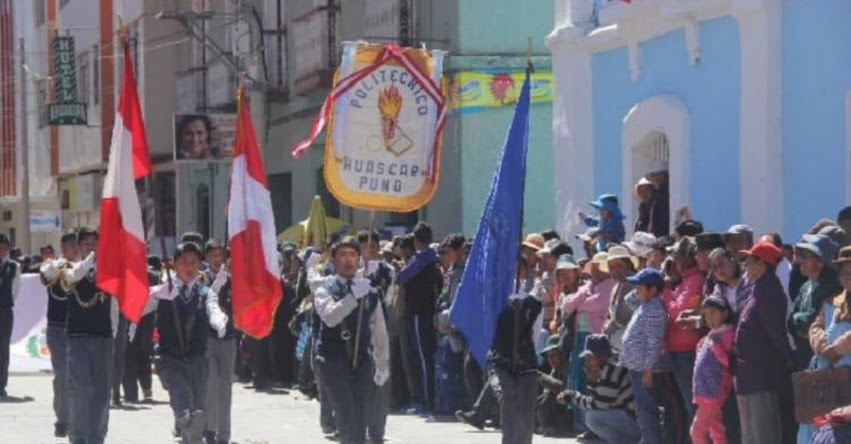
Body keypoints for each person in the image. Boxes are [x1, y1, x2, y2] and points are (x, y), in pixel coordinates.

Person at [143, 241, 229, 444]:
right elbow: (138, 308)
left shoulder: (205, 293)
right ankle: (184, 417)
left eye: (194, 262)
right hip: (169, 356)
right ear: (174, 264)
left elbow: (213, 307)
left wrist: (219, 320)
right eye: (184, 262)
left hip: (197, 358)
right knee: (180, 393)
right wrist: (156, 294)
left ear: (200, 265)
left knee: (197, 406)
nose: (189, 267)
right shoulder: (164, 290)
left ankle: (191, 433)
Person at [313, 236, 390, 444]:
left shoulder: (370, 292)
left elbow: (379, 331)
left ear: (359, 260)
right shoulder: (323, 289)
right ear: (333, 260)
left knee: (361, 414)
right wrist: (352, 297)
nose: (348, 260)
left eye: (353, 255)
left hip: (362, 360)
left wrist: (382, 365)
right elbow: (330, 317)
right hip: (333, 360)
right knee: (346, 412)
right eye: (343, 255)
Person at [60, 227, 115, 444]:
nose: (91, 247)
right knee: (80, 387)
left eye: (94, 243)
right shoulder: (70, 268)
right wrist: (87, 263)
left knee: (102, 391)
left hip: (103, 336)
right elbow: (66, 283)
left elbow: (116, 304)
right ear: (78, 247)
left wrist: (118, 329)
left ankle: (97, 435)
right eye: (86, 243)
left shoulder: (109, 272)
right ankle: (78, 434)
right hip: (78, 337)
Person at [735, 240, 792, 444]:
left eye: (749, 262)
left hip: (763, 376)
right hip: (749, 376)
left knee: (764, 435)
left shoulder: (769, 291)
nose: (745, 267)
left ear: (761, 265)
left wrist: (787, 361)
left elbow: (775, 333)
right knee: (751, 435)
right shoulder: (757, 289)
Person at [805, 245, 851, 443]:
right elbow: (815, 327)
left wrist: (839, 348)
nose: (848, 276)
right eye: (844, 272)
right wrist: (823, 347)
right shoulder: (831, 302)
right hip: (831, 382)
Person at [557, 334, 640, 444]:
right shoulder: (608, 366)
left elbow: (599, 404)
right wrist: (592, 381)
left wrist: (573, 396)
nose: (586, 362)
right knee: (590, 412)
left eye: (590, 357)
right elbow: (600, 400)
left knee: (592, 417)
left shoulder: (612, 370)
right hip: (630, 418)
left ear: (601, 356)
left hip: (636, 421)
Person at [397, 222, 442, 414]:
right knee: (424, 356)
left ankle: (426, 400)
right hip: (425, 311)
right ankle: (426, 398)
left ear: (416, 240)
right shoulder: (432, 258)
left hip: (420, 312)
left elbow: (402, 276)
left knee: (423, 357)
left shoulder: (423, 257)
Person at [621, 268, 669, 444]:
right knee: (643, 410)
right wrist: (640, 287)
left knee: (647, 411)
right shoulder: (645, 305)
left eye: (641, 287)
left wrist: (648, 370)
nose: (637, 290)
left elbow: (654, 342)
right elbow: (628, 300)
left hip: (644, 369)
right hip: (637, 367)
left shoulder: (654, 309)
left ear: (653, 290)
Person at [489, 288, 543, 444]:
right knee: (510, 407)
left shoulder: (533, 304)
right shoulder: (497, 298)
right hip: (502, 364)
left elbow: (535, 334)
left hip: (526, 364)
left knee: (525, 415)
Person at [37, 231, 77, 437]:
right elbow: (44, 277)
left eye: (76, 245)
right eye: (70, 245)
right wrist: (50, 266)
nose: (74, 249)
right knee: (63, 375)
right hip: (58, 329)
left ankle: (76, 417)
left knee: (78, 378)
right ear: (63, 247)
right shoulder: (55, 267)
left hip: (79, 331)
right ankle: (63, 419)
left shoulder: (85, 269)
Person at [666, 238, 705, 427]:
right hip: (678, 349)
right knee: (684, 404)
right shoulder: (686, 281)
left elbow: (677, 311)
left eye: (677, 257)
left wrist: (665, 292)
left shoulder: (695, 281)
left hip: (686, 350)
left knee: (693, 403)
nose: (674, 262)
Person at [202, 240, 237, 444]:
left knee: (226, 389)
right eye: (213, 255)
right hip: (207, 339)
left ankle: (224, 434)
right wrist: (216, 285)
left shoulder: (232, 280)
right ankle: (209, 428)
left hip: (229, 338)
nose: (217, 259)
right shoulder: (201, 278)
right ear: (206, 258)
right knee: (211, 385)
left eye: (220, 256)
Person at [790, 234, 841, 371]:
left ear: (820, 261)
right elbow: (791, 321)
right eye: (799, 255)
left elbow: (812, 321)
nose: (799, 260)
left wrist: (802, 323)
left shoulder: (833, 286)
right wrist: (800, 321)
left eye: (805, 256)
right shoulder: (805, 286)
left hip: (828, 361)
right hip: (805, 357)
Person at [690, 295, 736, 444]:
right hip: (704, 391)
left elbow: (729, 362)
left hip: (713, 392)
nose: (709, 317)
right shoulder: (712, 334)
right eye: (706, 313)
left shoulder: (727, 335)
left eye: (713, 312)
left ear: (725, 313)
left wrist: (715, 347)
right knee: (716, 430)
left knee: (696, 431)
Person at [602, 246, 638, 352]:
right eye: (611, 267)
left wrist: (608, 330)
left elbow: (622, 318)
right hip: (621, 347)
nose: (615, 270)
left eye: (619, 266)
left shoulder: (632, 283)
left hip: (633, 344)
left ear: (628, 265)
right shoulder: (616, 286)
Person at [536, 335, 571, 437]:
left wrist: (540, 376)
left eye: (554, 355)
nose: (551, 359)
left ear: (562, 354)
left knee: (548, 396)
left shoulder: (567, 368)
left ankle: (551, 427)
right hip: (554, 412)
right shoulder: (555, 369)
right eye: (548, 356)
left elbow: (561, 387)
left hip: (565, 413)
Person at [0, 233, 19, 399]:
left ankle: (1, 385)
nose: (2, 250)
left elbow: (16, 289)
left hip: (5, 311)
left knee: (3, 349)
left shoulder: (13, 266)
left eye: (5, 247)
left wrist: (8, 301)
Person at [646, 159, 669, 237]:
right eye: (654, 175)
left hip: (663, 234)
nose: (656, 177)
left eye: (659, 174)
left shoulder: (666, 192)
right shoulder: (656, 193)